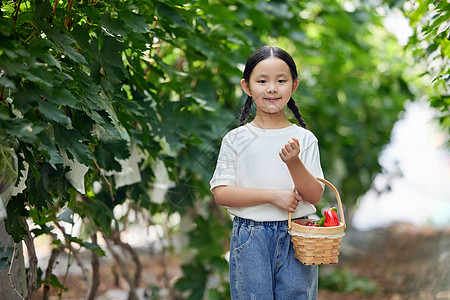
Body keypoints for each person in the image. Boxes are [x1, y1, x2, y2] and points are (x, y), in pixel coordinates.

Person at [209, 46, 325, 299]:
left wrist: (294, 163)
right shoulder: (235, 139)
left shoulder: (304, 139)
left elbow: (314, 195)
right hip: (250, 237)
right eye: (262, 81)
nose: (272, 88)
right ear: (247, 86)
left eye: (281, 81)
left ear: (293, 86)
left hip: (298, 234)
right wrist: (272, 196)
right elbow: (221, 193)